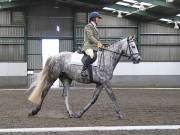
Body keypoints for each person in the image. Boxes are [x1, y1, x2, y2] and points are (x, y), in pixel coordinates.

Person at [81, 11, 104, 77]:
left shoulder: (95, 28)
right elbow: (90, 37)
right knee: (92, 56)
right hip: (88, 46)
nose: (99, 20)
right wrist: (98, 43)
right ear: (93, 18)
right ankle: (83, 70)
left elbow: (97, 39)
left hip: (94, 47)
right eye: (98, 18)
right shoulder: (88, 26)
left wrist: (102, 45)